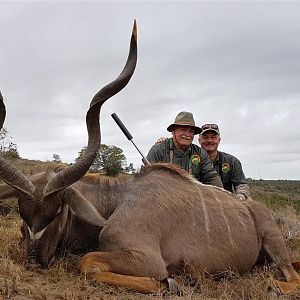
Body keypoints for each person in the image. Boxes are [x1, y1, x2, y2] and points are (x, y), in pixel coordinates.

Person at [146, 111, 223, 188]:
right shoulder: (158, 150)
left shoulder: (200, 153)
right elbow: (146, 179)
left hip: (191, 196)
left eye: (191, 131)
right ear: (173, 131)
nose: (187, 134)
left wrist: (221, 196)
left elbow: (212, 176)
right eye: (183, 129)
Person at [199, 123, 250, 200]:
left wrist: (240, 197)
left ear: (219, 140)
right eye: (205, 137)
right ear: (199, 140)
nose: (209, 140)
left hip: (225, 204)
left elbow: (241, 185)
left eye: (213, 137)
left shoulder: (232, 161)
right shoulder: (191, 159)